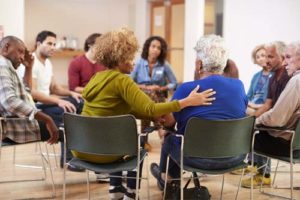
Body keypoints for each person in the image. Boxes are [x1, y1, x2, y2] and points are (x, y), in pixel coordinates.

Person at [80, 28, 216, 200]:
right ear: (120, 57)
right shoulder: (122, 80)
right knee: (136, 147)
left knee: (116, 139)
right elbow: (151, 108)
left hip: (84, 149)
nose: (134, 62)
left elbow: (114, 109)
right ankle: (130, 194)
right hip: (106, 154)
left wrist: (150, 116)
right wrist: (187, 102)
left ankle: (115, 188)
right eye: (130, 57)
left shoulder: (96, 78)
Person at [150, 34, 248, 191]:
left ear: (199, 64)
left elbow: (168, 123)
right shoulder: (239, 86)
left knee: (169, 137)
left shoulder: (187, 89)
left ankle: (166, 179)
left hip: (195, 158)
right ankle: (166, 177)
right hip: (234, 157)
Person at [18, 30, 84, 171]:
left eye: (54, 44)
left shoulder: (47, 63)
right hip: (36, 106)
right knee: (66, 110)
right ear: (38, 43)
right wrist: (58, 101)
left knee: (79, 103)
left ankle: (78, 153)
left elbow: (55, 88)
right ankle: (69, 159)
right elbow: (33, 92)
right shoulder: (32, 63)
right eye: (49, 43)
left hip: (47, 103)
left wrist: (72, 93)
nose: (53, 47)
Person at [241, 41, 291, 188]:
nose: (266, 60)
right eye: (264, 56)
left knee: (257, 132)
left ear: (282, 57)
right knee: (249, 125)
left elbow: (279, 110)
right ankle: (255, 167)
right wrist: (252, 119)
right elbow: (268, 104)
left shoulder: (287, 78)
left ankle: (264, 174)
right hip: (272, 117)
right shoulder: (273, 77)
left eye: (270, 56)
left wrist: (256, 120)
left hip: (282, 127)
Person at [0, 36, 58, 146]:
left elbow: (27, 92)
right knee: (70, 129)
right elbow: (9, 101)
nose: (22, 57)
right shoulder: (2, 66)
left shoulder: (7, 66)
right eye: (20, 52)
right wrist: (46, 119)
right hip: (19, 127)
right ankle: (75, 162)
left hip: (24, 122)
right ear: (6, 47)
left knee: (65, 120)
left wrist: (29, 67)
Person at [131, 36, 177, 150]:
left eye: (159, 48)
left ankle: (143, 140)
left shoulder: (164, 64)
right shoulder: (139, 63)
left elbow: (174, 83)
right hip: (141, 94)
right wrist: (145, 87)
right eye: (153, 46)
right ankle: (162, 131)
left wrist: (160, 88)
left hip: (158, 95)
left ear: (161, 51)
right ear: (148, 47)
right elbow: (130, 82)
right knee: (148, 97)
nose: (155, 50)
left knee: (149, 102)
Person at [247, 44, 273, 115]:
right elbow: (248, 96)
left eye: (263, 55)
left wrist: (255, 106)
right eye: (257, 57)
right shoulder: (255, 76)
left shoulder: (275, 74)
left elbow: (273, 102)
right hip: (251, 107)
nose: (260, 59)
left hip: (264, 109)